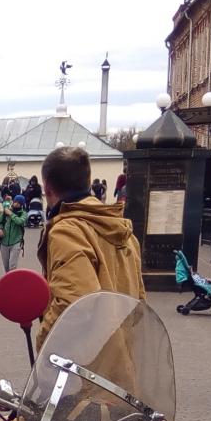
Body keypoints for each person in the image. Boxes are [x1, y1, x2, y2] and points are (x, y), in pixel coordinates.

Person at [34, 145, 146, 346]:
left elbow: (73, 305)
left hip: (85, 358)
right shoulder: (121, 229)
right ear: (88, 181)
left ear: (47, 188)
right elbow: (139, 300)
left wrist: (43, 342)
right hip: (121, 351)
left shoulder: (67, 231)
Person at [0, 195, 27, 271]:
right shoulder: (6, 212)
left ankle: (13, 278)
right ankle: (9, 279)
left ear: (22, 204)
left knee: (12, 266)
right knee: (6, 267)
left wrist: (11, 214)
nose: (16, 204)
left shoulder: (23, 214)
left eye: (19, 203)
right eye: (15, 202)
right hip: (4, 243)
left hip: (16, 242)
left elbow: (20, 221)